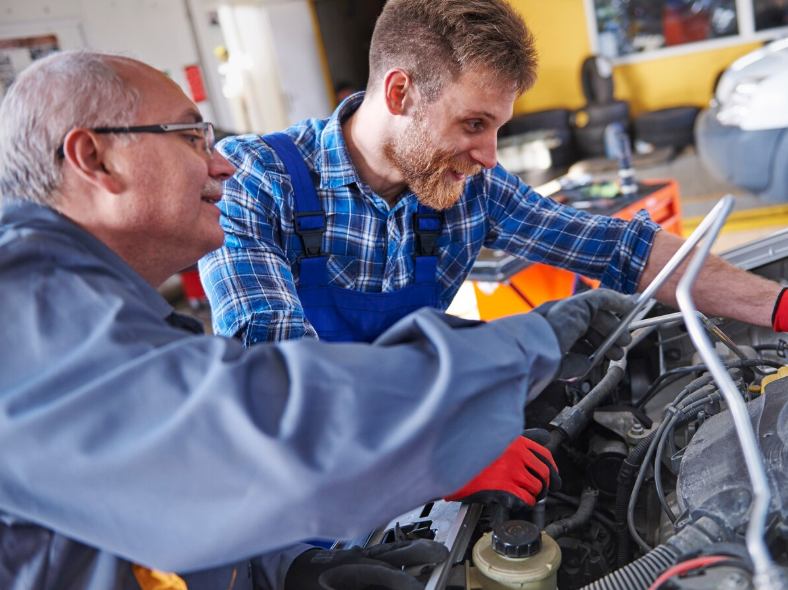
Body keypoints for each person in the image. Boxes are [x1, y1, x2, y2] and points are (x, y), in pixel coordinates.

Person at [0, 51, 634, 590]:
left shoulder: (110, 316)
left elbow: (180, 499)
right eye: (192, 137)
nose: (222, 164)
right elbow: (268, 431)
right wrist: (524, 346)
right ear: (94, 158)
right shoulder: (21, 312)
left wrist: (292, 569)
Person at [199, 0, 788, 358]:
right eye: (474, 123)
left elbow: (621, 249)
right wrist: (436, 455)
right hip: (301, 502)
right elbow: (274, 376)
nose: (490, 154)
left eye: (498, 127)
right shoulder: (250, 184)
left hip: (413, 433)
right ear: (401, 92)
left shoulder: (467, 187)